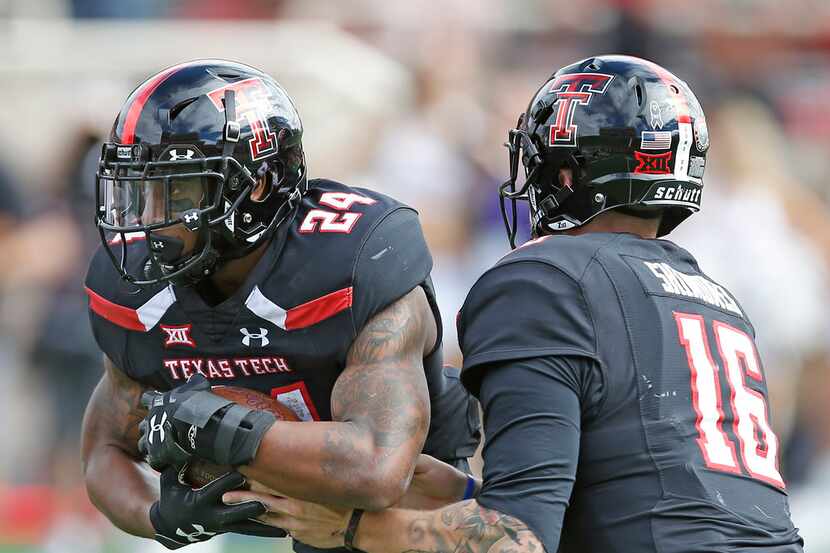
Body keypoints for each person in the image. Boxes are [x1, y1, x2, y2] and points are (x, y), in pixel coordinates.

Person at [225, 55, 805, 553]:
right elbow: (641, 495)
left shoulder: (545, 279)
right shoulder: (716, 297)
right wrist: (448, 491)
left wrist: (352, 527)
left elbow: (518, 538)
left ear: (568, 171)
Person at [80, 59, 480, 550]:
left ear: (259, 185)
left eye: (177, 191)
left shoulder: (353, 259)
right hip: (311, 528)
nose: (150, 220)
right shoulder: (137, 288)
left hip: (417, 521)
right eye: (142, 191)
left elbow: (379, 468)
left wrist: (217, 428)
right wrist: (161, 516)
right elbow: (104, 449)